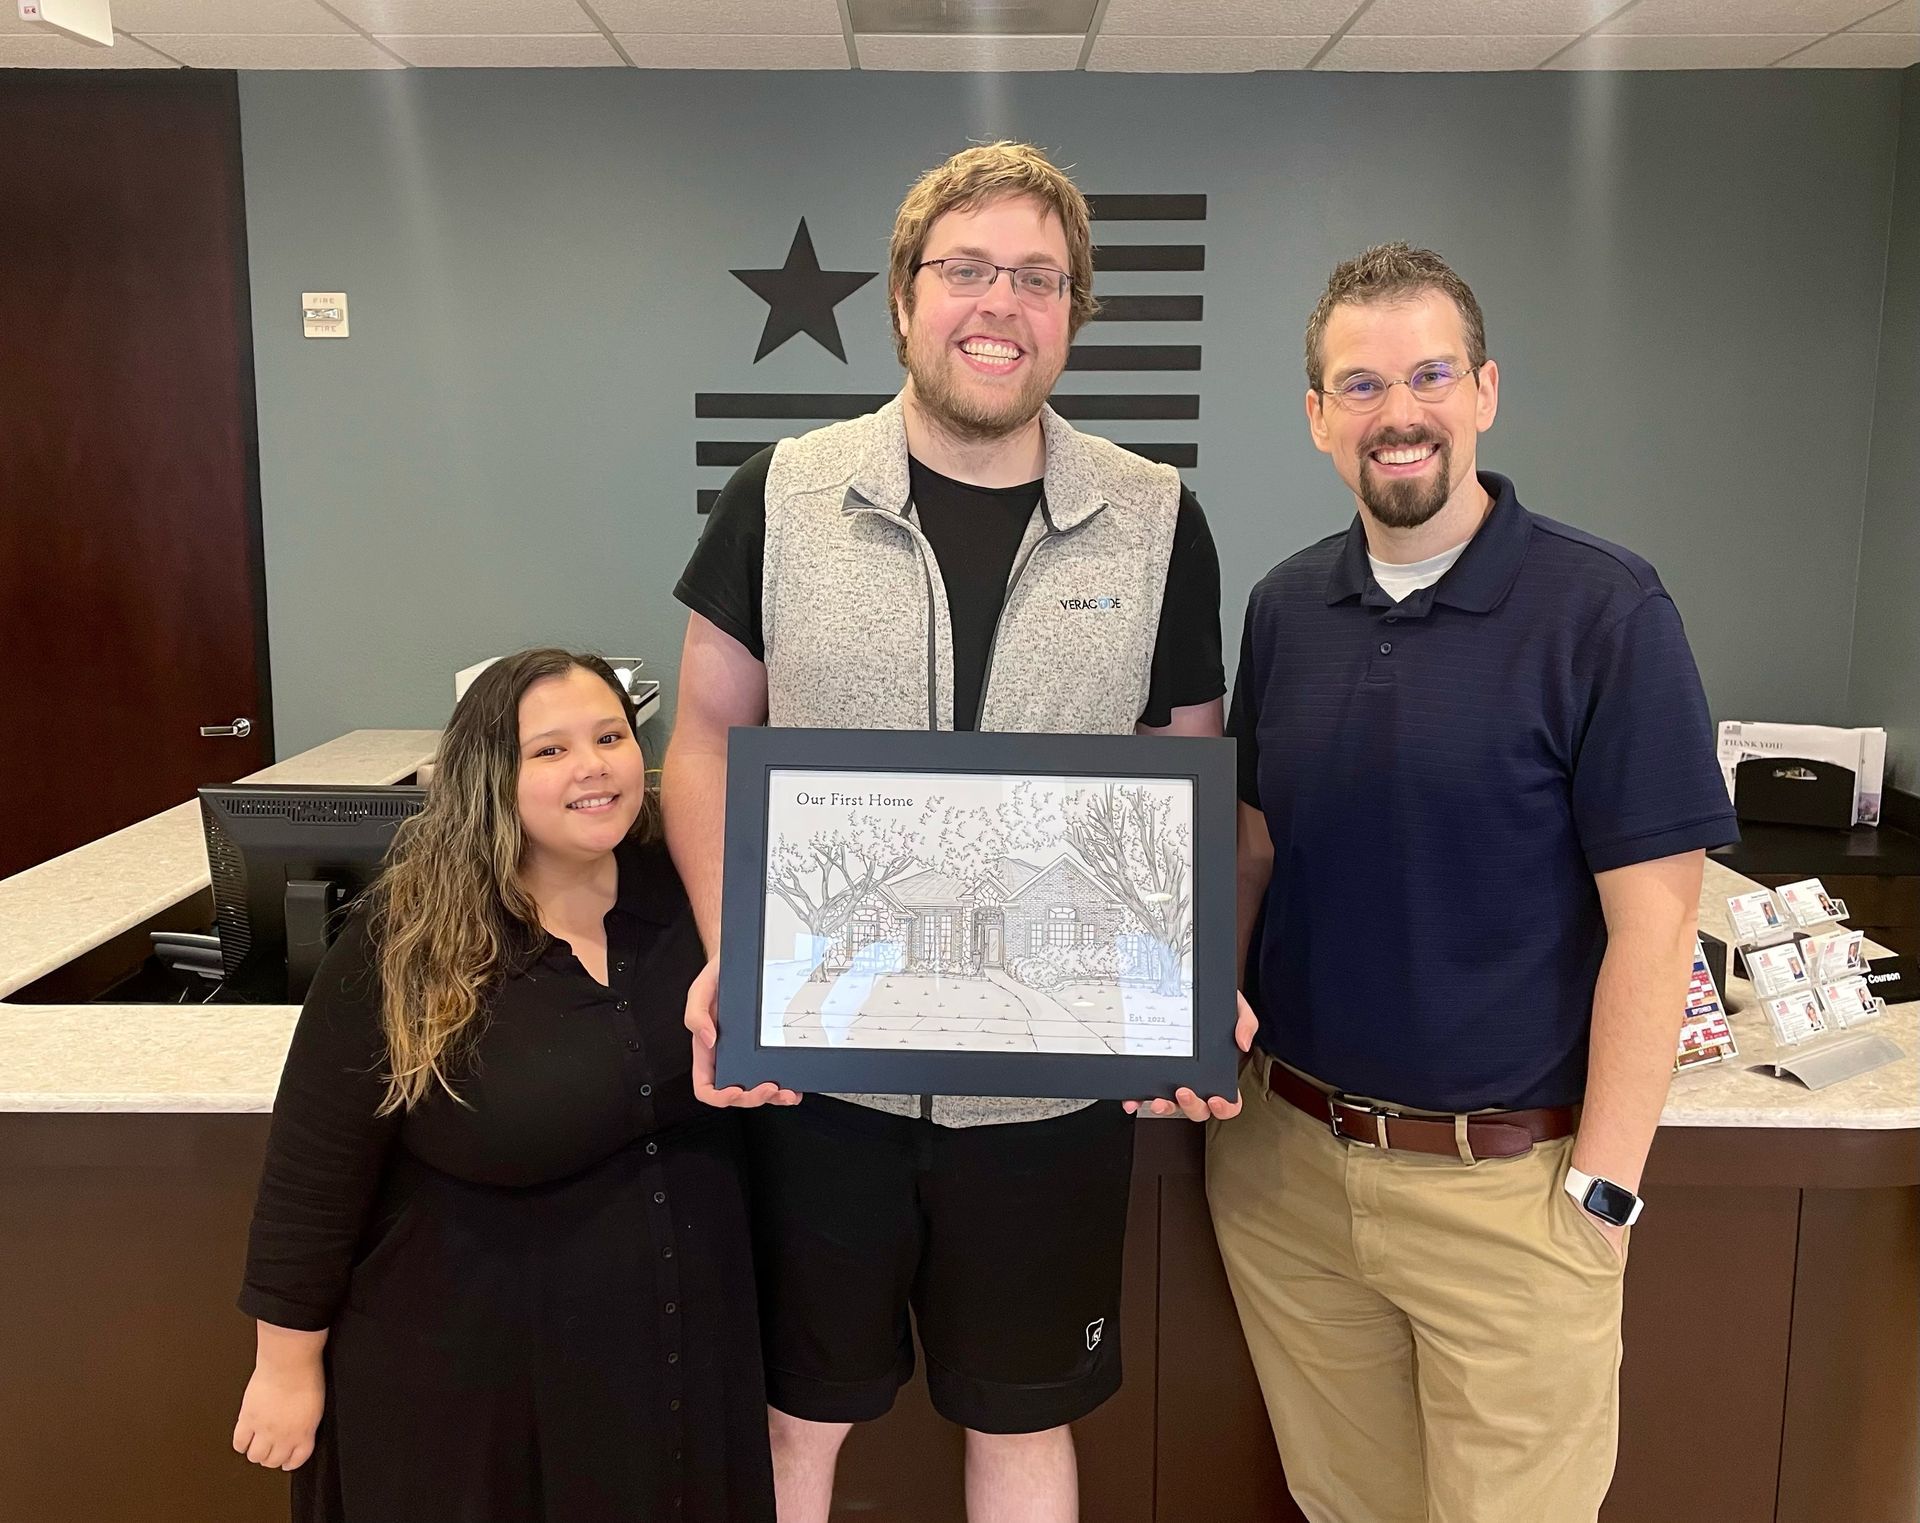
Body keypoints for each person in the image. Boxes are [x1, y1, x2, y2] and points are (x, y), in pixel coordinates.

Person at [664, 142, 1247, 1523]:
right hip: (823, 1077)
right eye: (969, 268)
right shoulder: (784, 492)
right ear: (907, 299)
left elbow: (1185, 768)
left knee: (1026, 1420)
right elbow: (699, 739)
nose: (1003, 302)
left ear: (1075, 311)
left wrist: (1182, 978)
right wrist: (732, 955)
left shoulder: (1157, 517)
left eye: (1039, 277)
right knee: (796, 1415)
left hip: (1049, 1094)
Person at [1209, 243, 1739, 1523]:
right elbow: (1255, 850)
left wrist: (1605, 1186)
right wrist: (1187, 1026)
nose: (1401, 411)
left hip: (1511, 1192)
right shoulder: (1285, 609)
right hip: (1287, 1173)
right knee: (1344, 1506)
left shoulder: (1605, 611)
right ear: (1318, 417)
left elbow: (1658, 924)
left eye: (1431, 374)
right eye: (1363, 383)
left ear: (1485, 391)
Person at [231, 648, 774, 1523]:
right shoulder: (406, 946)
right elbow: (312, 1174)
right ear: (490, 777)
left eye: (610, 736)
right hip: (471, 1386)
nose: (593, 765)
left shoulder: (692, 903)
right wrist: (285, 1366)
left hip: (664, 1372)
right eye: (550, 750)